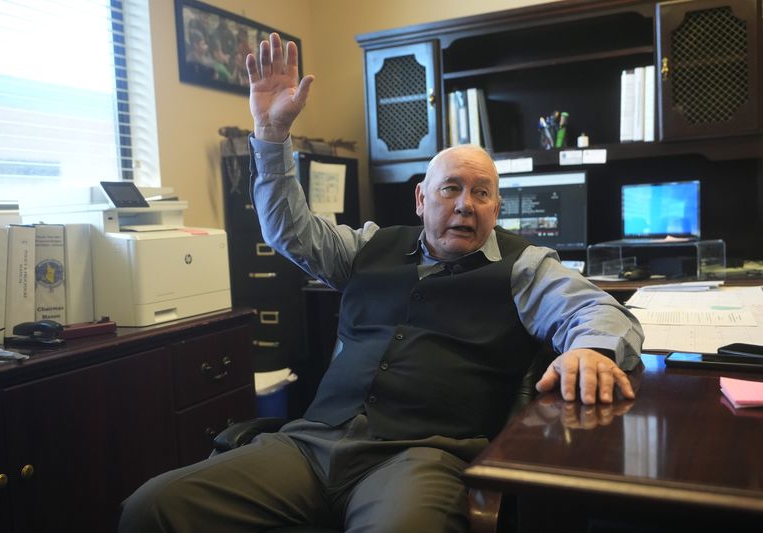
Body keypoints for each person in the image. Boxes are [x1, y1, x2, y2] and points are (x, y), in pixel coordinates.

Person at [118, 33, 643, 533]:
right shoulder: (367, 246)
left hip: (419, 457)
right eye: (451, 188)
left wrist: (592, 352)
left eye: (482, 193)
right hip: (309, 446)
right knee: (153, 508)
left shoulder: (525, 265)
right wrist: (272, 136)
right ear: (420, 199)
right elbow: (288, 232)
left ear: (497, 206)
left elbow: (597, 311)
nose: (465, 204)